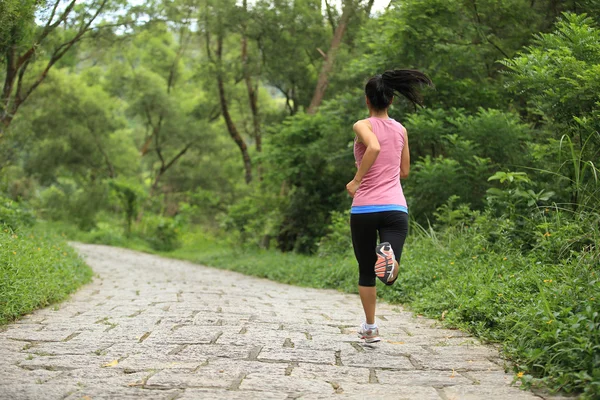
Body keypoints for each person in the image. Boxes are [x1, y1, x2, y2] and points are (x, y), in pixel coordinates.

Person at [346, 69, 433, 343]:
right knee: (387, 270)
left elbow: (372, 148)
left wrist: (357, 180)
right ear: (391, 100)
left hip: (364, 209)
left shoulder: (363, 125)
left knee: (365, 270)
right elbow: (404, 171)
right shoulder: (401, 129)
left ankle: (370, 328)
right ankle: (390, 261)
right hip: (395, 208)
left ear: (367, 100)